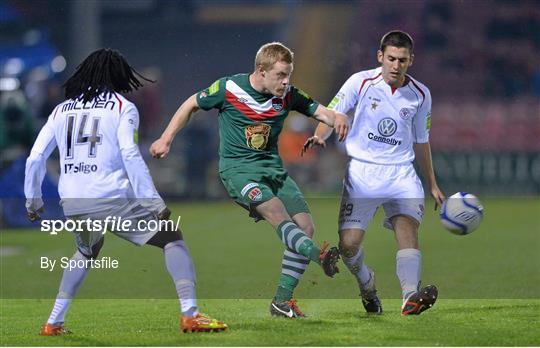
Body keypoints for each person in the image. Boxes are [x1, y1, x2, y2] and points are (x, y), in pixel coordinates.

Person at [24, 48, 227, 335]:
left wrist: (33, 201)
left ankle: (54, 322)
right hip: (109, 195)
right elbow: (130, 154)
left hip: (72, 199)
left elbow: (35, 158)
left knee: (87, 250)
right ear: (119, 75)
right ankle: (190, 314)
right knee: (172, 238)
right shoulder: (122, 106)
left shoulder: (61, 110)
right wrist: (153, 201)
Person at [150, 42, 349, 318]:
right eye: (280, 75)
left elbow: (321, 111)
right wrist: (166, 137)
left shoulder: (289, 95)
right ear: (261, 70)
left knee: (306, 226)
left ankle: (282, 302)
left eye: (288, 74)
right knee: (278, 213)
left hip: (273, 171)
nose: (285, 81)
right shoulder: (228, 88)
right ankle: (320, 256)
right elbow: (191, 104)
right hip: (238, 171)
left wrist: (337, 116)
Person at [303, 30, 445, 315]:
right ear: (380, 56)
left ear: (410, 61)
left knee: (407, 229)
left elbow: (421, 140)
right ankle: (367, 284)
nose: (395, 65)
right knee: (348, 245)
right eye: (390, 58)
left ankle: (409, 298)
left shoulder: (420, 94)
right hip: (363, 175)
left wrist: (432, 183)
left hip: (401, 173)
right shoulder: (360, 82)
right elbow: (331, 113)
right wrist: (320, 135)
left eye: (402, 60)